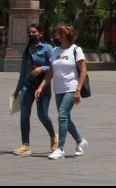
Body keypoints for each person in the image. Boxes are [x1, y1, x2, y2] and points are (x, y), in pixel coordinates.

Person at [35, 25, 88, 160]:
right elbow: (50, 73)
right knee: (66, 119)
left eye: (57, 34)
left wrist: (78, 90)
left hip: (71, 88)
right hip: (58, 89)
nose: (55, 36)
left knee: (62, 115)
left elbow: (83, 71)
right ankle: (80, 140)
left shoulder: (76, 50)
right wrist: (41, 87)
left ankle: (60, 149)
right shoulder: (55, 51)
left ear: (64, 35)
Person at [12, 24, 57, 156]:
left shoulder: (48, 48)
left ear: (41, 33)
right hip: (27, 86)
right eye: (30, 32)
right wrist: (17, 89)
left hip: (42, 85)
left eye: (34, 32)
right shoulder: (27, 50)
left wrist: (42, 68)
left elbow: (55, 66)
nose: (31, 35)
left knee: (42, 115)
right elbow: (23, 71)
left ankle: (53, 137)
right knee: (24, 115)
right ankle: (25, 145)